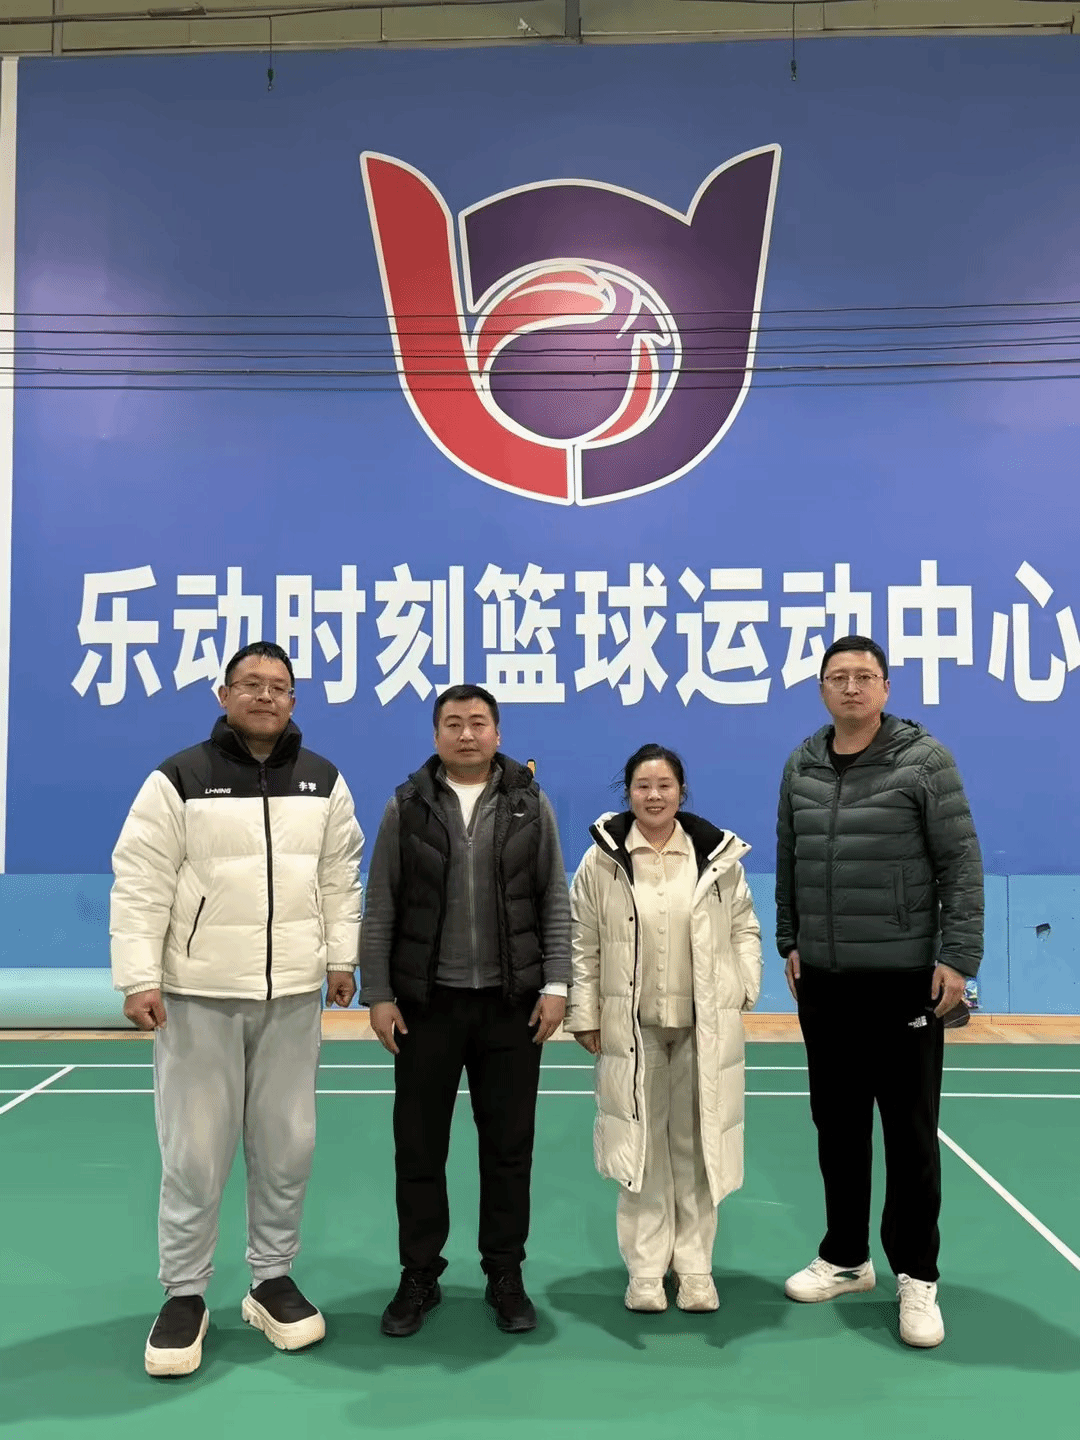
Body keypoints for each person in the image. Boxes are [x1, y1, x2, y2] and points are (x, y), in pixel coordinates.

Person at [110, 641, 363, 1377]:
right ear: (223, 696)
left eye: (278, 686)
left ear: (294, 700)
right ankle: (184, 1293)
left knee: (289, 1146)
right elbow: (140, 879)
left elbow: (341, 877)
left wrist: (340, 959)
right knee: (194, 1154)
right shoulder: (178, 778)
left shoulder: (323, 781)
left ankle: (271, 1280)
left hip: (292, 997)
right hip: (198, 995)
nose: (264, 695)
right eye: (249, 684)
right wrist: (138, 976)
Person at [776, 635, 983, 1349]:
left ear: (886, 688)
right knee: (837, 1128)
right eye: (839, 677)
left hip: (904, 980)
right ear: (822, 688)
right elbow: (790, 857)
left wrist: (957, 958)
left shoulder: (925, 761)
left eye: (865, 676)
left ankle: (917, 1277)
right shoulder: (802, 764)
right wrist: (791, 939)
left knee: (910, 1135)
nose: (852, 687)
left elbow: (961, 863)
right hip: (826, 982)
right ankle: (845, 1257)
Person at [360, 684, 571, 1337]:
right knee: (419, 1150)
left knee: (508, 1150)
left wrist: (557, 984)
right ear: (436, 736)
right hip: (427, 1007)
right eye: (453, 723)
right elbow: (382, 902)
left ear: (497, 733)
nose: (467, 733)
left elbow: (554, 897)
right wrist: (379, 993)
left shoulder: (530, 803)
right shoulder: (407, 805)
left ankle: (504, 1273)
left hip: (511, 1008)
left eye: (478, 722)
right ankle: (419, 1274)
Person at [565, 744, 763, 1314]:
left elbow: (744, 928)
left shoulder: (716, 858)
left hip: (704, 1029)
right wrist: (585, 1013)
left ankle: (696, 1270)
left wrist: (741, 986)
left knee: (697, 1148)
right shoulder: (602, 860)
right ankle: (647, 1272)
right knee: (642, 1153)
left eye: (664, 786)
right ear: (627, 793)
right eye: (642, 786)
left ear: (681, 792)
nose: (653, 796)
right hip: (633, 1031)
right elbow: (583, 941)